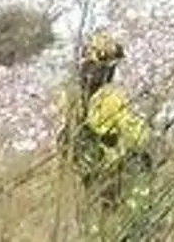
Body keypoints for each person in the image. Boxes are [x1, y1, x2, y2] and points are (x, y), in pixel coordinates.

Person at [58, 33, 153, 219]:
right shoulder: (110, 98)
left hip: (93, 179)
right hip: (118, 175)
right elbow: (139, 139)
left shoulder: (71, 98)